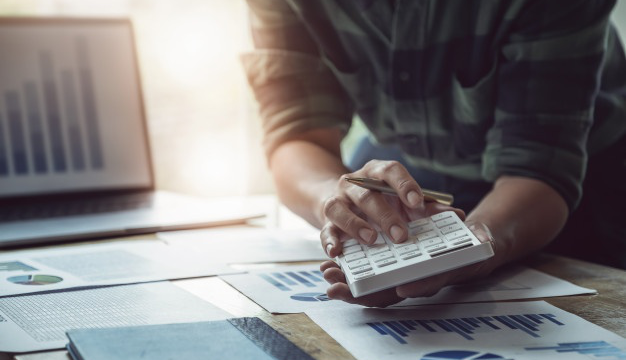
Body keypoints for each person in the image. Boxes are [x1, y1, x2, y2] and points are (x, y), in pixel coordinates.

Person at [242, 0, 626, 307]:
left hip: (573, 180)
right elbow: (296, 134)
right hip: (410, 174)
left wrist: (476, 248)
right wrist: (332, 196)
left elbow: (538, 167)